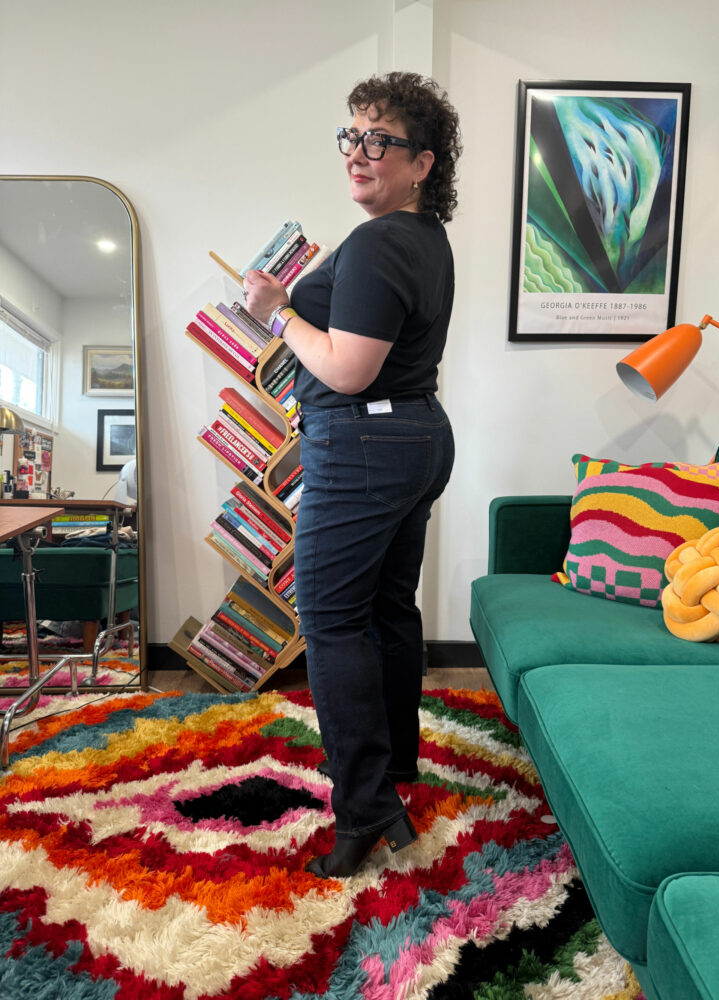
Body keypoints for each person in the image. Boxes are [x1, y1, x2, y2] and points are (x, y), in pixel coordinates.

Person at [243, 71, 461, 878]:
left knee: (331, 621)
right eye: (353, 135)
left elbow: (347, 370)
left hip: (364, 443)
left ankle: (366, 806)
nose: (359, 152)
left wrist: (279, 311)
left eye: (382, 140)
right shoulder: (424, 239)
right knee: (386, 608)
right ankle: (396, 767)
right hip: (414, 439)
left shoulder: (380, 241)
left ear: (422, 163)